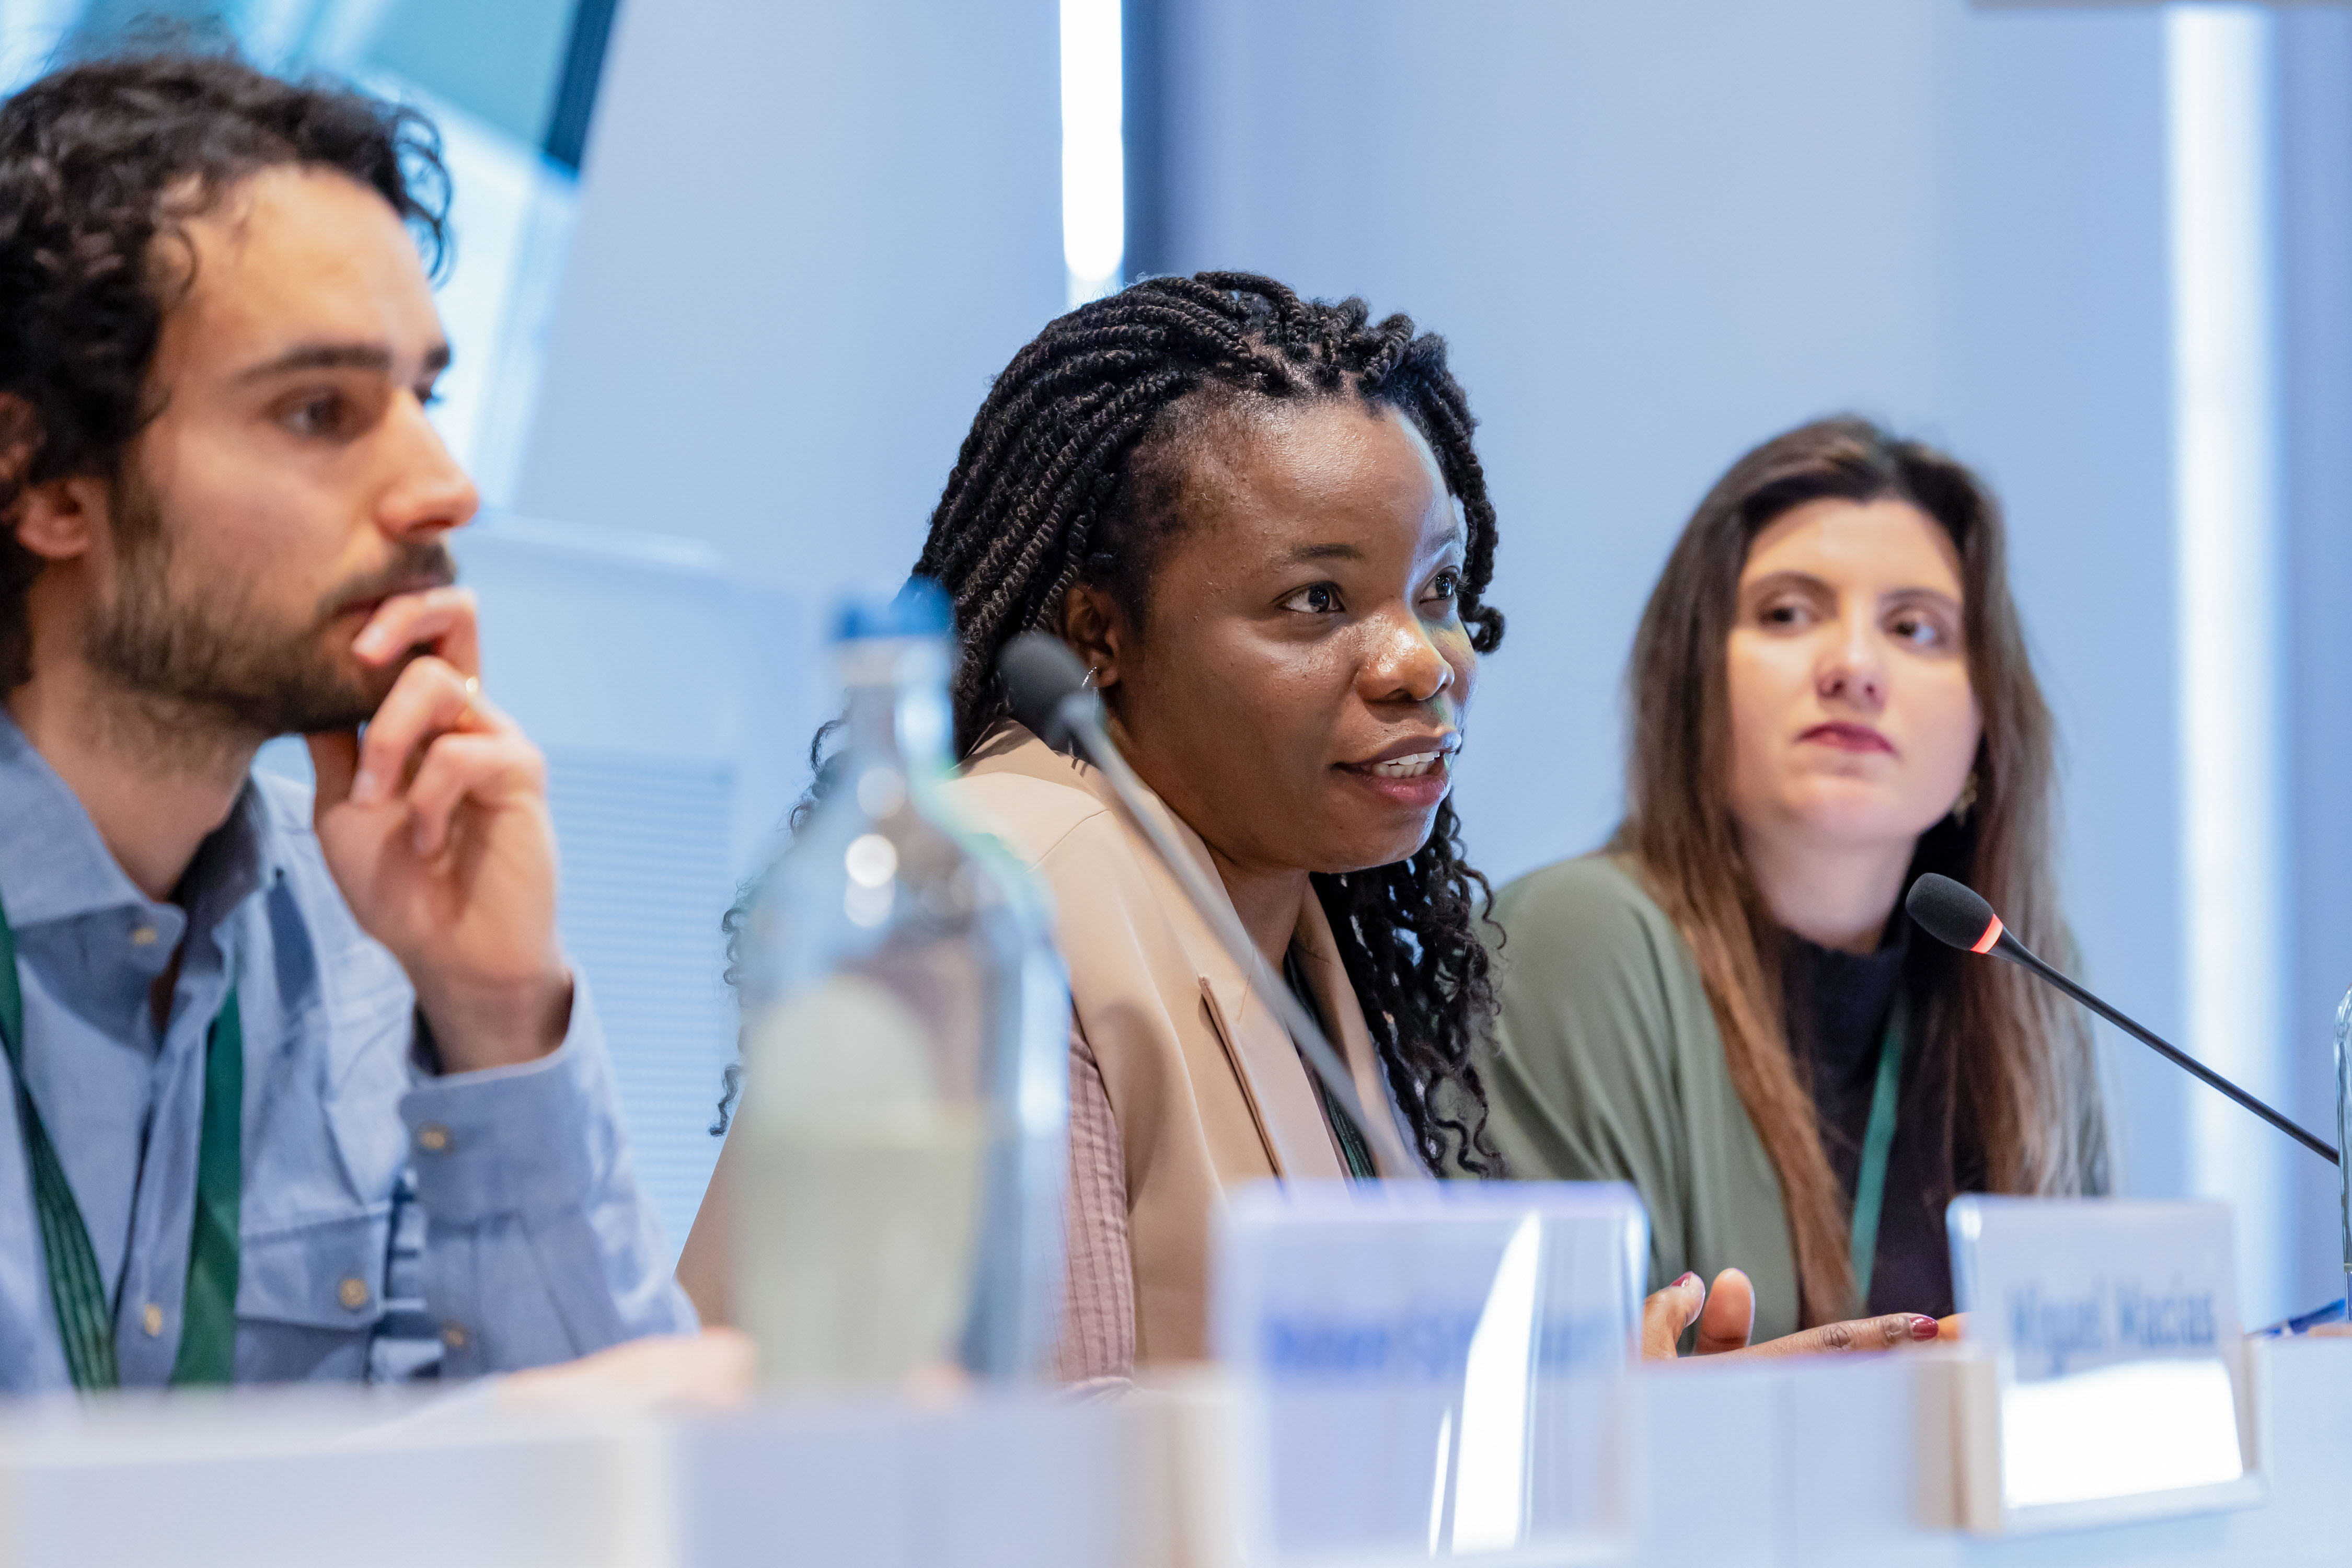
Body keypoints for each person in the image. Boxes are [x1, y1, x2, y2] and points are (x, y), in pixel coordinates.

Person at [682, 279, 1932, 1378]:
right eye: (1317, 600)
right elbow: (1037, 1475)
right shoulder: (999, 892)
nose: (1423, 662)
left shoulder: (1291, 918)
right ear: (1100, 636)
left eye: (1438, 591)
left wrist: (1620, 1433)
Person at [0, 45, 700, 1389]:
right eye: (319, 411)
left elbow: (618, 1468)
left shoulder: (373, 938)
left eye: (423, 398)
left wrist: (497, 1013)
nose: (445, 488)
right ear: (44, 483)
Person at [1484, 417, 2109, 1346]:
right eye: (1787, 613)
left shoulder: (2022, 979)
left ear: (1986, 730)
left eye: (1916, 629)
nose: (1854, 667)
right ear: (1694, 683)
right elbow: (1557, 1407)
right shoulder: (1576, 943)